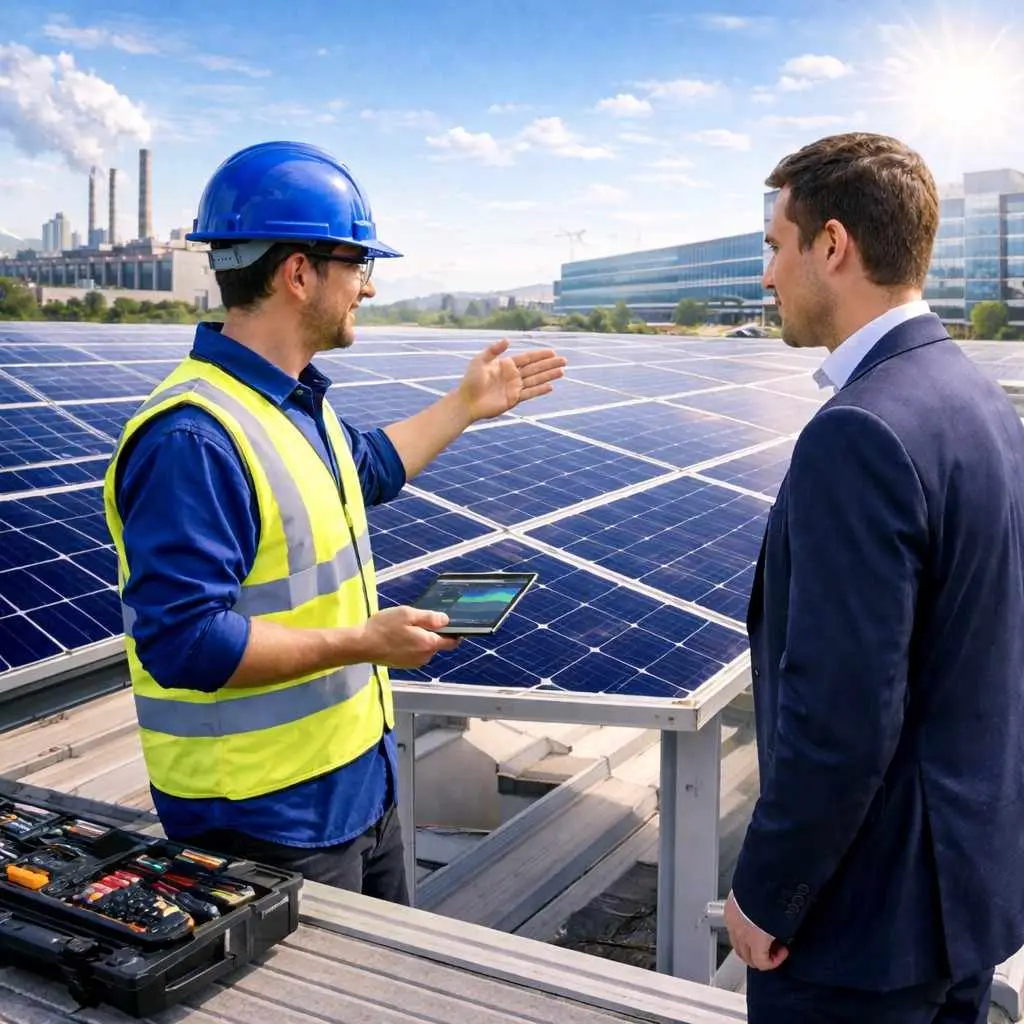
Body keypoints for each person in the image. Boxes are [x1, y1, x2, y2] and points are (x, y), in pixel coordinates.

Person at [101, 141, 565, 903]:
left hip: (356, 786)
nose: (370, 288)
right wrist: (362, 642)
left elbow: (370, 468)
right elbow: (184, 641)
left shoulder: (291, 405)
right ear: (298, 273)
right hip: (264, 818)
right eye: (357, 264)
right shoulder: (194, 438)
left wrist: (466, 406)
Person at [725, 131, 1024, 1023]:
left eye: (777, 246)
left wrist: (768, 891)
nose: (770, 276)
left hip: (864, 933)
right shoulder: (983, 405)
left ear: (832, 245)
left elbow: (841, 718)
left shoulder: (859, 434)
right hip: (964, 899)